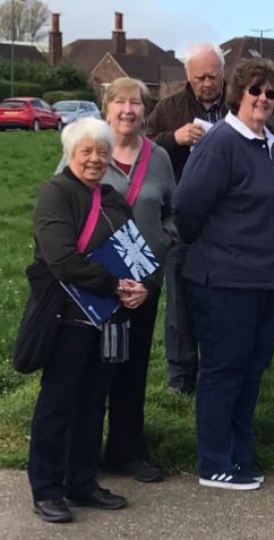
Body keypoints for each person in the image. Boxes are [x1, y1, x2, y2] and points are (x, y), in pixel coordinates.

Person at [173, 58, 274, 490]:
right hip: (226, 280)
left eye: (270, 93)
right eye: (255, 91)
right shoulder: (222, 142)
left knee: (251, 369)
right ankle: (214, 461)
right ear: (239, 94)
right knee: (224, 369)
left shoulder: (270, 144)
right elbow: (187, 207)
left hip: (268, 279)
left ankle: (240, 452)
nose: (263, 98)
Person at [28, 118, 159, 523]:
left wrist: (144, 286)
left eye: (102, 152)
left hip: (108, 320)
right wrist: (116, 285)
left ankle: (81, 482)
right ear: (70, 154)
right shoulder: (56, 193)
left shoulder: (113, 199)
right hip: (67, 317)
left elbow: (138, 251)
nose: (95, 159)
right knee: (58, 402)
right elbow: (62, 259)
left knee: (92, 402)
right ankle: (47, 488)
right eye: (86, 151)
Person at [57, 78, 176, 483]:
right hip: (91, 286)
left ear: (146, 111)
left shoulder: (158, 157)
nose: (129, 110)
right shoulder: (88, 148)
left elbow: (171, 212)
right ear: (105, 109)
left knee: (132, 368)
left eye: (137, 103)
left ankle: (126, 450)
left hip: (142, 287)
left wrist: (164, 243)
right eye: (120, 102)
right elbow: (61, 200)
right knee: (90, 371)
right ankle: (80, 458)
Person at [146, 43, 228, 396]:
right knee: (179, 303)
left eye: (213, 76)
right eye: (199, 77)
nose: (207, 83)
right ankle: (181, 377)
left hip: (227, 220)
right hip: (181, 217)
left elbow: (273, 141)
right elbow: (143, 144)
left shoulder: (239, 105)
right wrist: (173, 138)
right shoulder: (169, 107)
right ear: (188, 77)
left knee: (221, 301)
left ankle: (218, 368)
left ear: (223, 74)